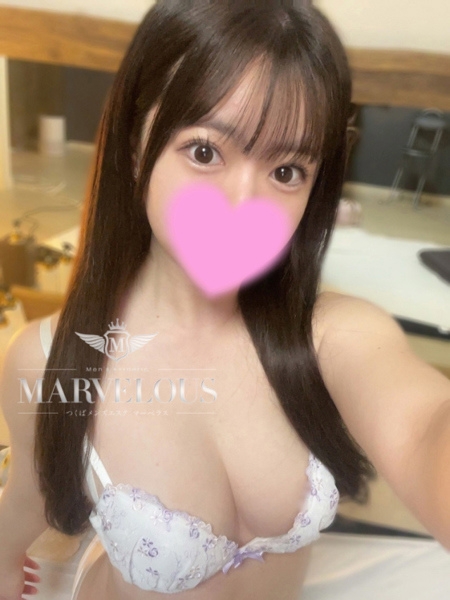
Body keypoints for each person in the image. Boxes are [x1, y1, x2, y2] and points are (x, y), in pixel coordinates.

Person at [1, 1, 450, 599]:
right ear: (135, 146)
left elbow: (424, 430)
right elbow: (28, 503)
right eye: (205, 151)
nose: (244, 205)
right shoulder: (48, 359)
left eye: (286, 171)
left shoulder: (332, 337)